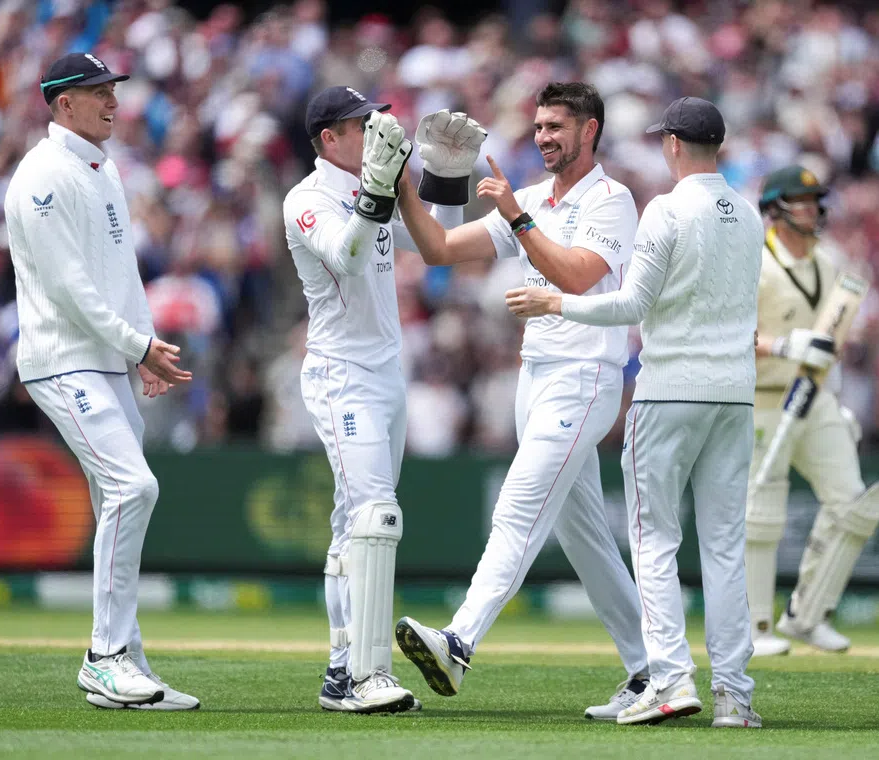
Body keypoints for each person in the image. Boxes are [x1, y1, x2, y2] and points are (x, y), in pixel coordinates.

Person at [390, 82, 650, 721]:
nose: (543, 137)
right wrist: (415, 182)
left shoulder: (612, 200)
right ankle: (654, 672)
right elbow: (438, 250)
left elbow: (576, 276)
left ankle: (459, 642)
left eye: (557, 126)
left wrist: (515, 216)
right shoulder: (531, 197)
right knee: (587, 539)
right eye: (538, 126)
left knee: (519, 506)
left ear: (590, 131)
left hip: (586, 377)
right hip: (535, 380)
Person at [506, 96, 763, 728]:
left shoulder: (668, 210)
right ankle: (734, 695)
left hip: (672, 390)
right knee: (726, 547)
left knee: (654, 542)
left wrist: (555, 305)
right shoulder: (751, 213)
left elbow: (628, 304)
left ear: (674, 144)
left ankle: (671, 679)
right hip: (734, 394)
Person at [4, 53, 196, 709]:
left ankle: (129, 658)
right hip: (63, 359)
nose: (113, 101)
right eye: (99, 92)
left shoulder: (102, 166)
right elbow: (70, 288)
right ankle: (105, 658)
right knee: (132, 486)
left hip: (107, 360)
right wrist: (139, 342)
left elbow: (120, 274)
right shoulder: (42, 178)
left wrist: (140, 354)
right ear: (64, 104)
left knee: (124, 493)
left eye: (113, 90)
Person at [283, 85, 483, 713]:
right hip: (341, 374)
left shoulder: (370, 183)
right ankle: (368, 675)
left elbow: (437, 244)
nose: (375, 132)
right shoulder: (307, 198)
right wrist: (377, 187)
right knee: (376, 515)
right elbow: (343, 258)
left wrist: (447, 176)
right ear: (328, 139)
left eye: (375, 121)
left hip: (384, 373)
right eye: (359, 124)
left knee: (354, 526)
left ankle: (342, 674)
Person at [744, 165, 879, 656]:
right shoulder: (752, 262)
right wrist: (783, 345)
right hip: (763, 401)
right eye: (801, 201)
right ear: (777, 208)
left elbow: (833, 343)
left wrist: (837, 391)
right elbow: (728, 336)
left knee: (852, 503)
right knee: (761, 514)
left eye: (814, 200)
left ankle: (807, 615)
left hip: (815, 398)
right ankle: (754, 626)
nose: (811, 209)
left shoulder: (830, 265)